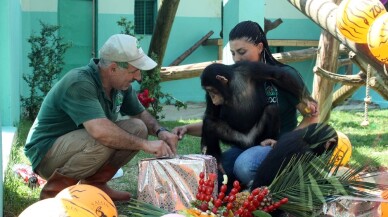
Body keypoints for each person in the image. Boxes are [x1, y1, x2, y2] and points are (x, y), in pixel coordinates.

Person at [24, 34, 179, 201]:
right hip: (45, 154)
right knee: (104, 139)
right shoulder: (79, 82)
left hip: (77, 146)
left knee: (138, 128)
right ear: (113, 68)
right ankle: (53, 195)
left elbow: (140, 113)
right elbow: (100, 131)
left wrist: (160, 131)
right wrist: (146, 145)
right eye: (134, 71)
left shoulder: (120, 85)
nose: (138, 77)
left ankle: (95, 185)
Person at [172, 20, 319, 188]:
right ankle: (246, 191)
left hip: (279, 146)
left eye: (242, 52)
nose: (237, 59)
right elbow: (216, 123)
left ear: (260, 47)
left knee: (245, 165)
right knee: (213, 176)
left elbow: (313, 117)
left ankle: (271, 189)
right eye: (233, 53)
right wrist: (187, 129)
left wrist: (285, 142)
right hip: (247, 144)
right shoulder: (230, 81)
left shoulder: (284, 75)